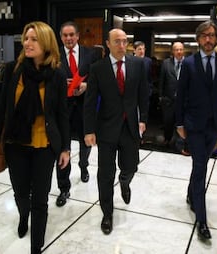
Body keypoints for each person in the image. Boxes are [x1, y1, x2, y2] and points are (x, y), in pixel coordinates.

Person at [0, 21, 70, 254]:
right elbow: (3, 107)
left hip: (45, 146)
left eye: (34, 39)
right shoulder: (13, 69)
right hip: (15, 144)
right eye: (26, 38)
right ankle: (23, 216)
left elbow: (62, 115)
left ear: (46, 43)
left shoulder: (56, 75)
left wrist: (65, 148)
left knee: (40, 199)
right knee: (21, 193)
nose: (28, 43)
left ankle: (36, 245)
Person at [84, 28, 149, 235]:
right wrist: (89, 130)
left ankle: (124, 182)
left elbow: (143, 95)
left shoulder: (137, 64)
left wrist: (143, 119)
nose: (122, 45)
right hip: (106, 129)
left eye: (124, 41)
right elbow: (90, 102)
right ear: (108, 44)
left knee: (131, 166)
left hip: (130, 126)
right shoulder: (97, 68)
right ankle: (107, 214)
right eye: (117, 42)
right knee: (105, 174)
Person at [175, 20, 217, 240]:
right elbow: (181, 96)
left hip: (214, 124)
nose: (208, 39)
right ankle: (202, 220)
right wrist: (179, 124)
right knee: (200, 167)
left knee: (201, 164)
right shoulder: (189, 63)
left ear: (216, 38)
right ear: (198, 39)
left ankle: (191, 194)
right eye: (204, 36)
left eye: (211, 35)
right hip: (194, 124)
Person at [55, 21, 97, 207]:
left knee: (85, 142)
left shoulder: (91, 54)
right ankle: (64, 187)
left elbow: (98, 79)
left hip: (84, 107)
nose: (68, 38)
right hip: (62, 108)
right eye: (65, 35)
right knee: (62, 146)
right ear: (60, 37)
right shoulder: (54, 56)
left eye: (71, 35)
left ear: (78, 36)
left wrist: (87, 86)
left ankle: (84, 166)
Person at [158, 41, 186, 151]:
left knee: (182, 123)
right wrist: (161, 97)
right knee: (168, 122)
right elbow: (162, 81)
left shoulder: (188, 63)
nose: (179, 51)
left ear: (183, 50)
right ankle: (167, 139)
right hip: (168, 100)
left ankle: (181, 144)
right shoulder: (166, 63)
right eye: (176, 49)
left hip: (183, 100)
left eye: (181, 49)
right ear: (173, 51)